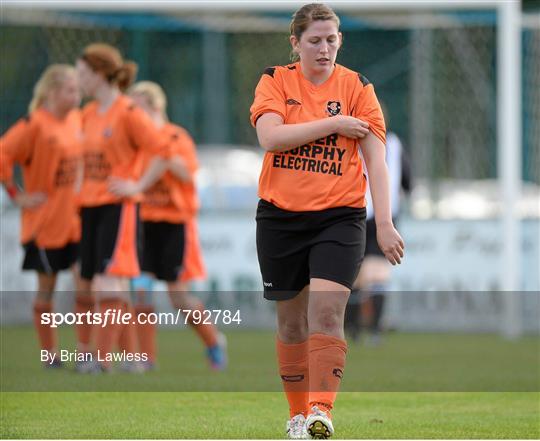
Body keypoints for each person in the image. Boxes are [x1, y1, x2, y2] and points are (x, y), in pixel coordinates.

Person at [249, 3, 404, 439]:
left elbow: (377, 158)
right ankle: (297, 415)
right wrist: (334, 122)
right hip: (280, 217)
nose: (324, 49)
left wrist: (385, 223)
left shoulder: (358, 87)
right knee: (291, 323)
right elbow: (271, 137)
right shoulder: (275, 79)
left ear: (340, 41)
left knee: (328, 312)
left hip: (340, 218)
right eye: (314, 40)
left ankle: (321, 411)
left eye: (331, 40)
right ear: (295, 43)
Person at [112, 81, 227, 371]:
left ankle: (213, 341)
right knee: (140, 290)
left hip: (174, 224)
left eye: (137, 108)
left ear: (154, 106)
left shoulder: (176, 137)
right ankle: (146, 359)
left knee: (178, 297)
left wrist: (163, 158)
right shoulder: (136, 142)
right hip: (144, 222)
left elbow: (188, 175)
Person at [76, 43, 169, 372]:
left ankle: (100, 361)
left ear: (100, 74)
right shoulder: (87, 114)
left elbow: (162, 151)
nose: (78, 79)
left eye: (83, 72)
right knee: (96, 284)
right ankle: (131, 359)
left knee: (108, 282)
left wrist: (138, 185)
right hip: (89, 206)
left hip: (118, 206)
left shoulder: (128, 112)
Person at [0, 64, 85, 368]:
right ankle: (50, 356)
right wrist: (17, 194)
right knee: (46, 290)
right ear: (52, 92)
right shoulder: (34, 125)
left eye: (78, 89)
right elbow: (3, 155)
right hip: (45, 225)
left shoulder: (77, 120)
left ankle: (85, 352)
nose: (77, 95)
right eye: (70, 90)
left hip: (75, 220)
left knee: (84, 284)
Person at [345, 127, 412, 344]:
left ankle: (353, 328)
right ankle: (373, 329)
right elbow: (408, 183)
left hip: (355, 212)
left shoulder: (348, 137)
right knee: (377, 274)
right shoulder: (394, 144)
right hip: (385, 215)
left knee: (357, 273)